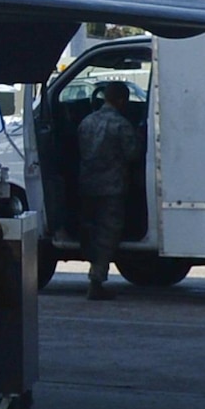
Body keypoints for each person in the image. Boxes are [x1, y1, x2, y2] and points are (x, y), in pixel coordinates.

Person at [77, 80, 143, 299]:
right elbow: (132, 154)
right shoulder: (121, 125)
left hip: (87, 185)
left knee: (91, 230)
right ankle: (96, 281)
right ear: (122, 101)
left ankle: (92, 270)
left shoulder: (87, 121)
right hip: (112, 188)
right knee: (107, 235)